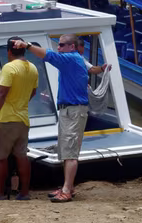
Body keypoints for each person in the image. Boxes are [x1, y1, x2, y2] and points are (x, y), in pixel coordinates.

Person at [26, 34, 105, 203]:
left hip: (73, 111)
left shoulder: (71, 59)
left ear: (72, 47)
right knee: (65, 151)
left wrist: (27, 46)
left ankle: (67, 190)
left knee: (70, 153)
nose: (59, 48)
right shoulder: (74, 60)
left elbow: (48, 55)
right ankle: (67, 187)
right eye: (59, 45)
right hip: (68, 110)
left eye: (61, 45)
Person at [0, 37, 38, 201]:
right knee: (22, 156)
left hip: (5, 119)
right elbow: (33, 92)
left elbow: (2, 93)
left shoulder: (9, 68)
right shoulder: (33, 68)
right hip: (23, 119)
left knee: (0, 157)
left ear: (9, 52)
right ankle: (24, 193)